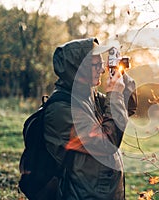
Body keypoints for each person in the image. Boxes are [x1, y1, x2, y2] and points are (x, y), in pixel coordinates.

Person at [43, 37, 137, 199]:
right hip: (83, 194)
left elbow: (129, 106)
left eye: (102, 64)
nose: (102, 70)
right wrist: (113, 94)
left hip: (101, 191)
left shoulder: (87, 95)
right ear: (77, 69)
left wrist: (120, 74)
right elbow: (107, 144)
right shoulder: (61, 109)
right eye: (96, 65)